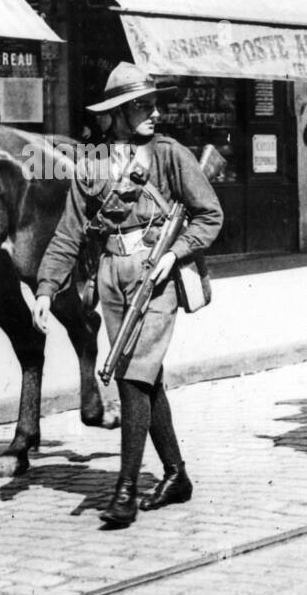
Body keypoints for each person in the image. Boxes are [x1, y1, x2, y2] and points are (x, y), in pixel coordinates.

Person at [31, 63, 222, 528]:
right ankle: (176, 475)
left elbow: (209, 215)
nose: (153, 113)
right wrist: (45, 288)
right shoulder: (92, 163)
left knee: (132, 376)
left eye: (154, 104)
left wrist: (174, 255)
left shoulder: (170, 155)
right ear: (116, 113)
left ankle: (125, 491)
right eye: (142, 106)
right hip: (111, 276)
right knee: (144, 377)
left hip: (155, 275)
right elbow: (69, 232)